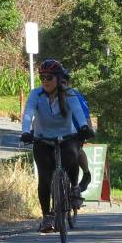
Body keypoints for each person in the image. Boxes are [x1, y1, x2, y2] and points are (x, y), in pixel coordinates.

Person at [21, 58, 93, 233]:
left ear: (59, 79)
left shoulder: (69, 94)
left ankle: (74, 188)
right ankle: (47, 217)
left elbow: (77, 111)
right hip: (42, 138)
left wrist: (84, 127)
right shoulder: (36, 94)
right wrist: (25, 131)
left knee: (72, 156)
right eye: (42, 78)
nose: (45, 81)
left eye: (49, 78)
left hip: (66, 136)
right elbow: (28, 112)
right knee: (45, 178)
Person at [63, 72, 93, 196]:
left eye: (63, 83)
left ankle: (86, 173)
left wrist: (88, 130)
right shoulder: (48, 95)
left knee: (77, 150)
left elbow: (86, 116)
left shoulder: (75, 96)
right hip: (57, 129)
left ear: (68, 83)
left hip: (76, 128)